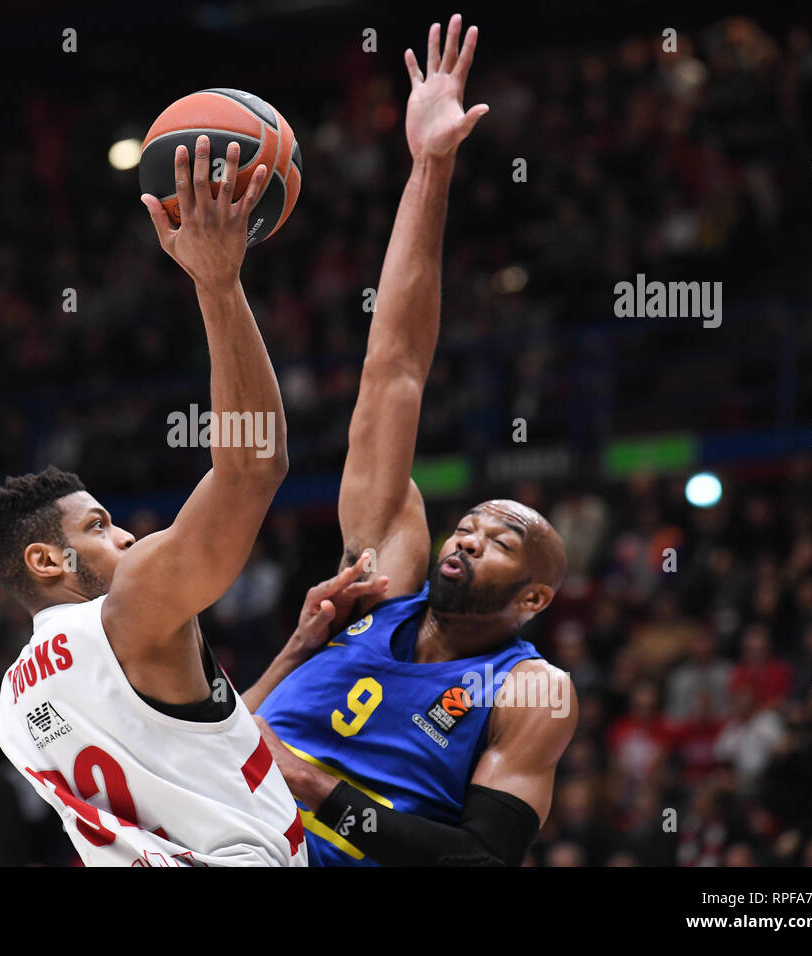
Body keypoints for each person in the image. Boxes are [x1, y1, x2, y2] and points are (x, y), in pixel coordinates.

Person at [246, 16, 578, 867]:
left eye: (503, 541)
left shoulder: (531, 691)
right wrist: (430, 167)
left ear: (534, 600)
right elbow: (392, 367)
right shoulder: (374, 582)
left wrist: (319, 793)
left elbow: (478, 862)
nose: (470, 533)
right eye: (473, 522)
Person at [0, 137, 338, 865]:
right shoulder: (129, 608)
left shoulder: (14, 711)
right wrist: (218, 284)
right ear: (46, 558)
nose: (131, 540)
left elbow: (192, 744)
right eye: (100, 526)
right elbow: (252, 468)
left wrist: (294, 651)